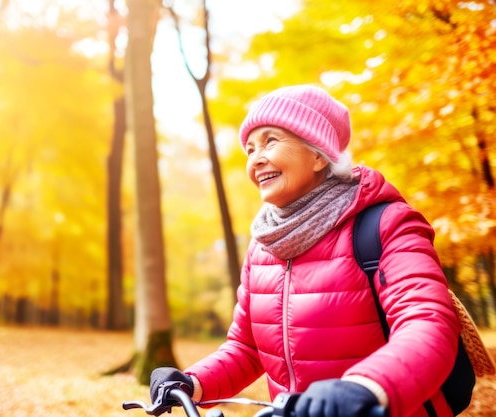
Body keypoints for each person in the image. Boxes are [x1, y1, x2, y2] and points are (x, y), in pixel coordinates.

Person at [149, 85, 461, 417]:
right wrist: (190, 383)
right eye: (250, 149)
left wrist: (364, 386)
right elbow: (248, 348)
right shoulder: (263, 246)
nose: (256, 158)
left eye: (270, 141)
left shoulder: (384, 224)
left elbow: (427, 322)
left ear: (318, 154)